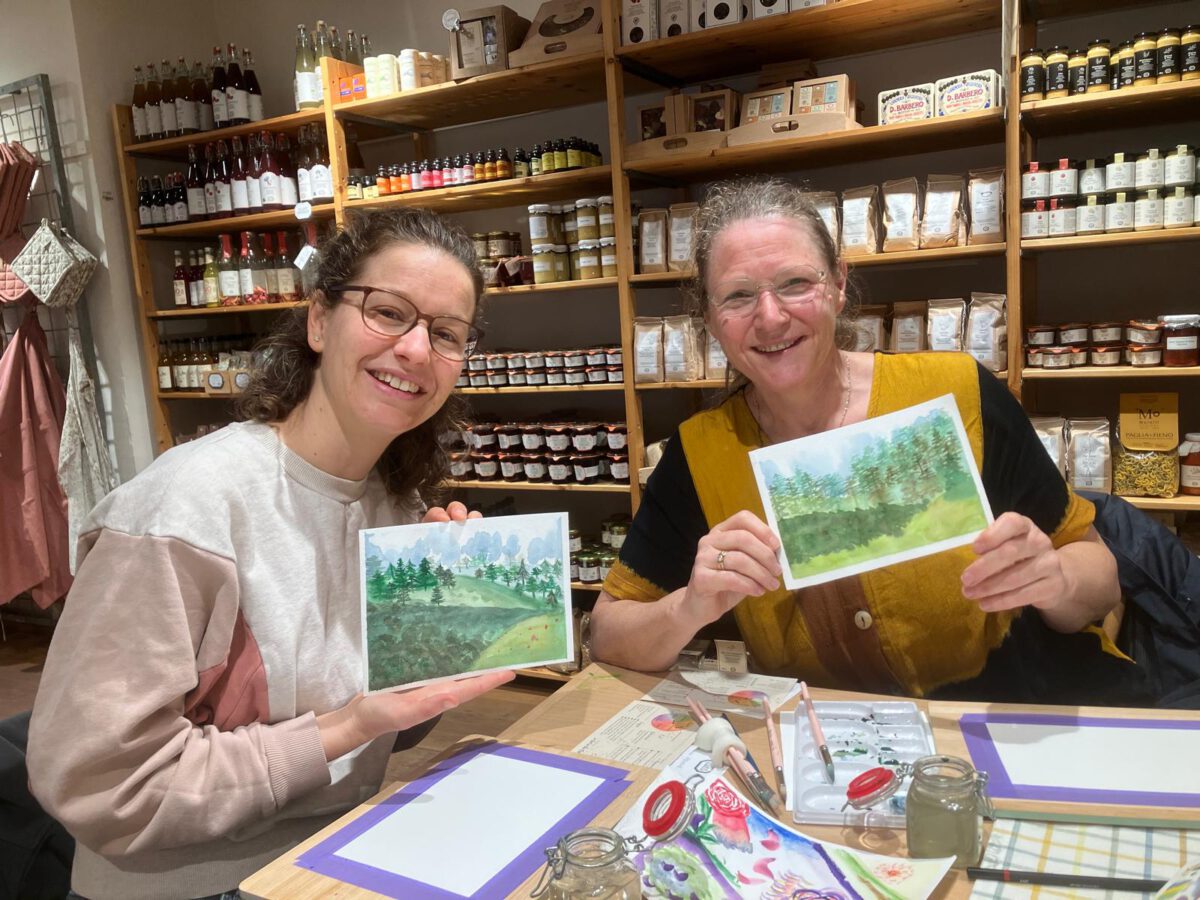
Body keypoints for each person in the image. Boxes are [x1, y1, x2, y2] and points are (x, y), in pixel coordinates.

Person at [27, 208, 514, 900]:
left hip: (336, 856)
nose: (414, 349)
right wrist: (344, 727)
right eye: (387, 312)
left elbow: (382, 739)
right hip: (192, 885)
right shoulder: (182, 508)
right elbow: (100, 780)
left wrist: (438, 639)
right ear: (319, 321)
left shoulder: (398, 509)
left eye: (445, 334)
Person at [591, 177, 1145, 704]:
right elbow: (607, 635)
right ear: (710, 321)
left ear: (837, 284)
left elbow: (1100, 581)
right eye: (737, 296)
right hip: (822, 752)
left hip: (999, 721)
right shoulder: (701, 452)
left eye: (795, 284)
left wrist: (1054, 577)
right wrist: (689, 607)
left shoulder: (954, 393)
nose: (770, 317)